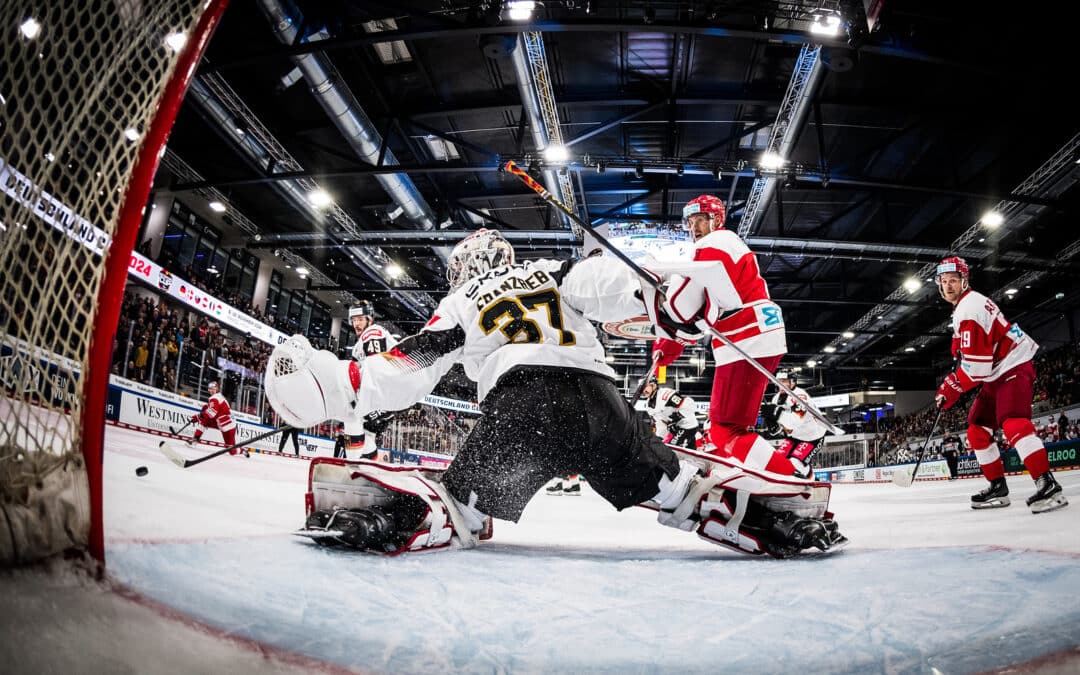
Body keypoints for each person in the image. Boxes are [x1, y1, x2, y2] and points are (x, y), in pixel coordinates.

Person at [263, 229, 845, 558]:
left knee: (462, 506)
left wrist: (343, 387)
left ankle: (406, 518)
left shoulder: (465, 300)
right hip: (601, 403)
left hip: (523, 407)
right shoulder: (551, 269)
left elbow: (416, 360)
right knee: (679, 492)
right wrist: (662, 298)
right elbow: (607, 282)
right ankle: (764, 517)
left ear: (468, 266)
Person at [649, 195, 807, 478]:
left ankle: (788, 479)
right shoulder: (727, 247)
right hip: (756, 334)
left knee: (724, 429)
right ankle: (738, 477)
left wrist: (660, 294)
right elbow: (703, 318)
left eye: (700, 220)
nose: (694, 227)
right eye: (691, 222)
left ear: (717, 220)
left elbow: (681, 306)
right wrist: (670, 343)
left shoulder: (714, 244)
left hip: (747, 336)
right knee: (729, 428)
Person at [933, 256, 1068, 513]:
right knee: (977, 429)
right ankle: (998, 487)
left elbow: (978, 369)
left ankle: (1048, 485)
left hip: (1012, 365)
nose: (948, 286)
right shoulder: (966, 304)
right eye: (944, 281)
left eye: (953, 280)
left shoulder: (968, 309)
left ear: (964, 281)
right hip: (998, 371)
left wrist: (951, 386)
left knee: (1012, 420)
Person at [344, 301, 400, 456]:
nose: (356, 323)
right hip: (389, 395)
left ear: (370, 320)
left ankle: (351, 464)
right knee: (367, 436)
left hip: (389, 393)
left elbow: (377, 369)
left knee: (352, 417)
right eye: (354, 320)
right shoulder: (359, 345)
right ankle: (372, 465)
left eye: (360, 319)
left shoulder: (373, 332)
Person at [761, 371, 827, 477]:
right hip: (795, 436)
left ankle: (812, 481)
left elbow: (794, 423)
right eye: (778, 381)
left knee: (795, 464)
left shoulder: (801, 396)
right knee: (778, 460)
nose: (780, 384)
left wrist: (776, 413)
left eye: (784, 381)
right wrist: (773, 424)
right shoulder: (776, 399)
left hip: (812, 437)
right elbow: (780, 430)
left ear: (793, 382)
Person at [641, 376, 700, 450]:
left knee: (673, 449)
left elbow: (689, 405)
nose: (643, 391)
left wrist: (676, 418)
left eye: (645, 387)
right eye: (642, 388)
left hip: (687, 426)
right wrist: (659, 437)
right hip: (676, 430)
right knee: (690, 452)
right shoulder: (648, 406)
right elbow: (660, 423)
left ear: (654, 385)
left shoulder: (666, 394)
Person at [190, 381, 247, 457]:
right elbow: (211, 411)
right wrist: (201, 414)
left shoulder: (215, 398)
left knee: (231, 451)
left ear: (217, 389)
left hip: (228, 425)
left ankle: (243, 451)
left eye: (213, 389)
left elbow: (212, 412)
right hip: (223, 422)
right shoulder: (217, 397)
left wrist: (198, 417)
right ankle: (194, 440)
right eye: (209, 389)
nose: (211, 390)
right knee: (204, 421)